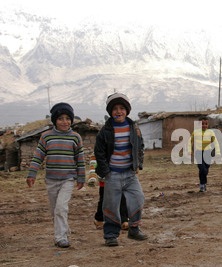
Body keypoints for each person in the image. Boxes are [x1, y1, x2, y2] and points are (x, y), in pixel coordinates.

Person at [26, 103, 85, 248]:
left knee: (61, 208)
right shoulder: (46, 137)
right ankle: (62, 231)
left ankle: (61, 237)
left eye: (67, 118)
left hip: (68, 179)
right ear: (54, 121)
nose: (64, 122)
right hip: (51, 179)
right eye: (60, 119)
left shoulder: (75, 138)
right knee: (54, 210)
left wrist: (81, 177)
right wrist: (32, 173)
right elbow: (38, 157)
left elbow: (80, 160)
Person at [94, 92, 147, 247]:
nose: (119, 111)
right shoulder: (105, 131)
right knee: (111, 205)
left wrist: (138, 164)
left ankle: (134, 229)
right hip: (113, 175)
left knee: (138, 199)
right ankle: (111, 235)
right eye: (115, 108)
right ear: (110, 112)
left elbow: (140, 147)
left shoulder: (134, 128)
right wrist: (105, 171)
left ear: (127, 110)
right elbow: (99, 152)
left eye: (122, 108)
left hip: (130, 174)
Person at [88, 153, 129, 231]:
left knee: (122, 199)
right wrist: (92, 177)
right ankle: (99, 219)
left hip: (119, 179)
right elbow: (93, 163)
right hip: (105, 180)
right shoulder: (99, 149)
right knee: (104, 200)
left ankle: (124, 220)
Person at [189, 116, 221, 192]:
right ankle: (202, 185)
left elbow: (215, 142)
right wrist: (189, 150)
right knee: (202, 168)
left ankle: (202, 184)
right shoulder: (196, 132)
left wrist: (218, 152)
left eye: (206, 124)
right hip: (198, 153)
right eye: (202, 124)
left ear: (208, 124)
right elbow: (190, 142)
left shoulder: (210, 132)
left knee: (205, 168)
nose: (204, 125)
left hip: (207, 152)